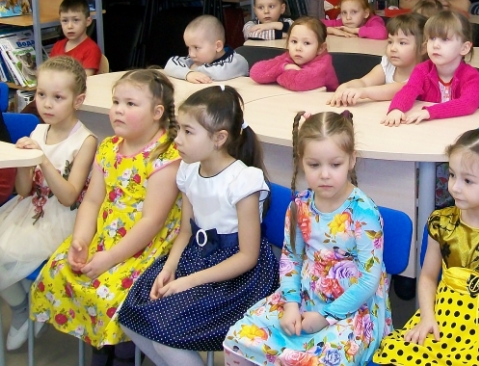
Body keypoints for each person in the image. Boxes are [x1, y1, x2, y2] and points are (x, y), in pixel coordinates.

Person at [118, 86, 279, 366]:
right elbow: (186, 231)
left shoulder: (243, 182)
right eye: (178, 129)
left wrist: (188, 282)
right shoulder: (189, 170)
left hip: (236, 278)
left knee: (164, 333)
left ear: (219, 138)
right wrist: (169, 269)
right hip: (195, 258)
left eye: (188, 132)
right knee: (130, 316)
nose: (177, 139)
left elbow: (247, 257)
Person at [29, 69, 182, 365]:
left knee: (112, 292)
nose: (118, 110)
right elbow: (92, 201)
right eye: (116, 102)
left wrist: (109, 258)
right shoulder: (109, 147)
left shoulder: (165, 157)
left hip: (147, 247)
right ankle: (100, 345)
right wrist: (81, 240)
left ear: (157, 113)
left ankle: (123, 352)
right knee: (62, 269)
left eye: (130, 104)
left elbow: (152, 222)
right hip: (107, 235)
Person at [223, 111, 390, 366]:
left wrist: (325, 317)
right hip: (305, 295)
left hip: (353, 306)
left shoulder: (364, 212)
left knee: (319, 360)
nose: (325, 174)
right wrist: (291, 304)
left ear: (351, 160)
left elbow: (369, 280)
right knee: (240, 337)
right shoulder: (299, 205)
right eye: (314, 165)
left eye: (335, 165)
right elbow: (291, 259)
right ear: (301, 161)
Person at [373, 128, 479, 366]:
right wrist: (427, 317)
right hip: (444, 320)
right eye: (452, 175)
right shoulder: (442, 223)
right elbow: (428, 277)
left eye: (468, 181)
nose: (454, 187)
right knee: (399, 353)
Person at [0, 57, 96, 350]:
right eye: (41, 94)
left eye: (58, 97)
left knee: (5, 252)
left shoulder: (86, 141)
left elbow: (68, 197)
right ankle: (23, 306)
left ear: (78, 100)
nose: (47, 104)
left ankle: (29, 303)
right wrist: (25, 162)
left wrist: (41, 158)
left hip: (61, 219)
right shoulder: (38, 131)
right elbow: (24, 190)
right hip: (31, 209)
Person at [382, 11, 479, 126]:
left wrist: (430, 112)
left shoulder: (473, 77)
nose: (435, 45)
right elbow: (409, 90)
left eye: (444, 39)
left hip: (459, 128)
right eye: (432, 38)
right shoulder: (421, 70)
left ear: (464, 48)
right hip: (429, 129)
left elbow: (468, 103)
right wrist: (396, 108)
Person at [328, 13, 427, 107]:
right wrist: (346, 86)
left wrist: (364, 92)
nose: (393, 48)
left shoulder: (425, 73)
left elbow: (397, 90)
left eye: (402, 43)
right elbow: (364, 82)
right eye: (390, 42)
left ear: (423, 49)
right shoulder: (388, 65)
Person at [249, 17, 338, 91]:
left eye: (306, 43)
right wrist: (284, 67)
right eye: (294, 41)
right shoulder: (289, 57)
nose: (298, 48)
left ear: (321, 48)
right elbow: (255, 72)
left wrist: (276, 75)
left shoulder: (323, 65)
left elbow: (297, 82)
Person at [164, 15, 249, 83]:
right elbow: (169, 65)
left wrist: (193, 69)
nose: (191, 54)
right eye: (189, 48)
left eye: (196, 47)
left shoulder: (237, 61)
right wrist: (188, 74)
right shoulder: (196, 59)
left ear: (218, 46)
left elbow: (219, 73)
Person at [51, 0, 102, 76]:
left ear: (88, 21)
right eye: (65, 21)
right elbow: (50, 72)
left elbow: (85, 78)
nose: (70, 26)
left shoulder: (92, 49)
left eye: (76, 20)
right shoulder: (57, 46)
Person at [322, 0, 388, 40]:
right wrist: (330, 30)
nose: (348, 17)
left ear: (366, 13)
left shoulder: (373, 20)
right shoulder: (342, 23)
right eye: (344, 12)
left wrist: (354, 31)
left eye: (354, 12)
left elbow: (382, 33)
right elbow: (317, 24)